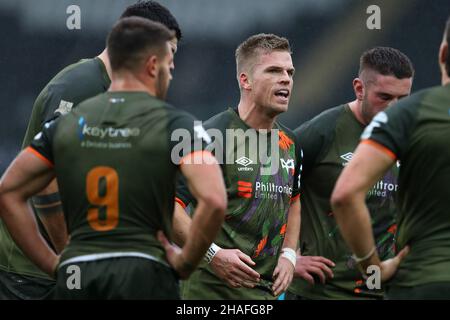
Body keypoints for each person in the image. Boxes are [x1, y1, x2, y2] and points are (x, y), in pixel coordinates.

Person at [0, 17, 226, 300]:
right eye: (170, 66)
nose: (171, 74)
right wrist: (186, 262)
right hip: (145, 273)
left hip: (86, 271)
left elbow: (9, 190)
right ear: (152, 66)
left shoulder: (69, 124)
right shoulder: (178, 125)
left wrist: (59, 262)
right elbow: (215, 200)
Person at [173, 33, 302, 299]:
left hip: (266, 296)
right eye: (274, 71)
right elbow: (168, 207)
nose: (286, 79)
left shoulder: (292, 143)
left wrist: (289, 255)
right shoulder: (207, 137)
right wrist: (213, 255)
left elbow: (294, 201)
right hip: (211, 294)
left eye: (290, 72)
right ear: (245, 80)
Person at [331, 16, 450, 300]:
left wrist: (373, 268)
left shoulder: (411, 113)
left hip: (424, 280)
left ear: (443, 53)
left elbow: (345, 195)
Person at [287, 47, 414, 299]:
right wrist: (289, 257)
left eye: (403, 98)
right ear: (359, 89)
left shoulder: (412, 138)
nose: (395, 108)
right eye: (385, 97)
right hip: (322, 293)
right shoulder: (322, 133)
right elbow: (269, 193)